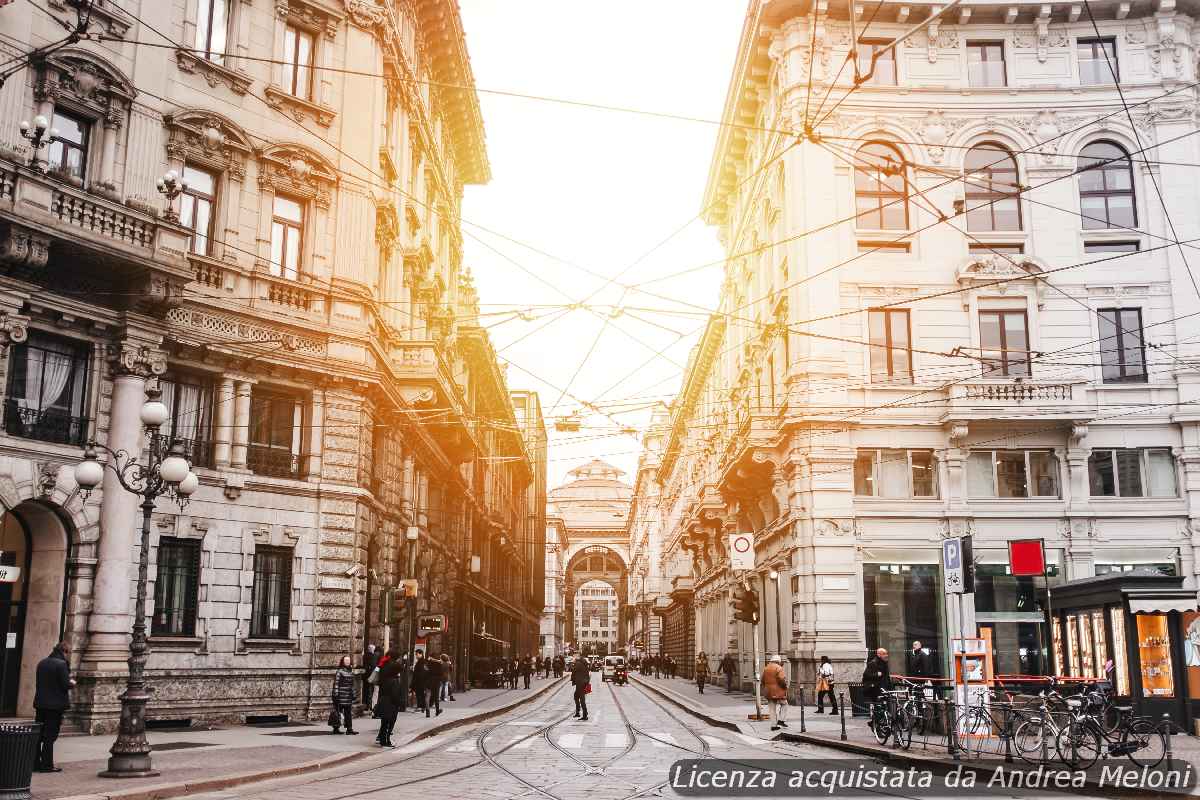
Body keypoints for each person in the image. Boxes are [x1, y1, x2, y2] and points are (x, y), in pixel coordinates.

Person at [33, 641, 73, 772]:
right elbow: (65, 684)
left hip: (41, 704)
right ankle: (47, 765)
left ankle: (35, 763)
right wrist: (72, 682)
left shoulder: (42, 662)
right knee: (50, 736)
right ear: (65, 651)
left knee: (39, 735)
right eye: (69, 653)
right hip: (55, 706)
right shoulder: (61, 664)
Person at [375, 649, 404, 747]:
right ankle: (386, 740)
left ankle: (382, 738)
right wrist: (399, 703)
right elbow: (395, 695)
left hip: (383, 698)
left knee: (384, 722)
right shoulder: (394, 680)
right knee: (390, 721)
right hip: (391, 703)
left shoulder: (383, 667)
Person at [862, 648, 892, 727]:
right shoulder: (873, 663)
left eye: (886, 653)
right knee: (878, 706)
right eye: (884, 654)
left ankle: (878, 722)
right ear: (879, 654)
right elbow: (865, 675)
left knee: (885, 706)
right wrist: (876, 674)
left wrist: (890, 688)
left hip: (884, 688)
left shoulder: (885, 663)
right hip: (875, 690)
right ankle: (875, 723)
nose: (886, 655)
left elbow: (886, 677)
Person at [330, 655, 357, 734]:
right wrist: (335, 694)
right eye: (346, 661)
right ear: (343, 662)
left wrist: (353, 694)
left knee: (348, 713)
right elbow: (336, 683)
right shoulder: (339, 671)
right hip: (340, 696)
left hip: (348, 696)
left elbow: (352, 685)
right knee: (338, 712)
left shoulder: (351, 671)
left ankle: (349, 729)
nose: (347, 662)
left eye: (348, 660)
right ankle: (336, 728)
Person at [763, 654, 789, 732]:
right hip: (778, 691)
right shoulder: (779, 668)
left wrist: (766, 687)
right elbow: (781, 679)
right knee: (784, 704)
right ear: (778, 661)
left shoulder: (766, 668)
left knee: (772, 708)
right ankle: (781, 720)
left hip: (769, 691)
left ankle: (773, 726)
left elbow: (762, 680)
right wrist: (785, 686)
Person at [571, 654, 591, 721]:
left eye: (574, 657)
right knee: (576, 696)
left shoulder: (578, 663)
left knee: (582, 699)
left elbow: (573, 670)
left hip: (580, 683)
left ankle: (585, 714)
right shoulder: (583, 663)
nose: (573, 658)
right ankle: (578, 712)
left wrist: (573, 664)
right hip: (584, 682)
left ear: (577, 657)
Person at [363, 643, 379, 716]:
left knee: (366, 691)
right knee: (371, 691)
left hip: (365, 676)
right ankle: (370, 707)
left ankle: (366, 706)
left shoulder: (364, 656)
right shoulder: (374, 656)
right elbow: (374, 666)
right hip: (372, 676)